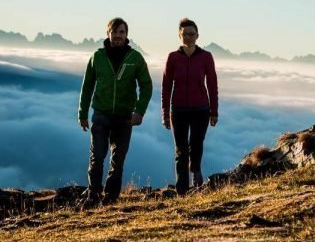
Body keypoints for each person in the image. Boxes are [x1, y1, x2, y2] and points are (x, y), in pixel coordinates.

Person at [78, 17, 153, 207]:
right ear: (108, 33)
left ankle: (110, 197)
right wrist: (82, 113)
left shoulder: (135, 58)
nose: (118, 36)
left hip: (124, 116)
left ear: (127, 35)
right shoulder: (98, 57)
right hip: (101, 114)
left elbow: (146, 86)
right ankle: (93, 195)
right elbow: (87, 87)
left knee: (118, 159)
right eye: (114, 32)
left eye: (122, 32)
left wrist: (139, 111)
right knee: (97, 156)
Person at [161, 18, 218, 195]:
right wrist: (165, 113)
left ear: (198, 35)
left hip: (201, 109)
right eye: (185, 34)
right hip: (178, 110)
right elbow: (166, 86)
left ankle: (196, 174)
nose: (189, 37)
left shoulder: (206, 57)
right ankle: (182, 189)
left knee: (196, 145)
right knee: (181, 150)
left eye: (192, 34)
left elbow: (213, 85)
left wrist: (214, 112)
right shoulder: (173, 58)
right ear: (179, 35)